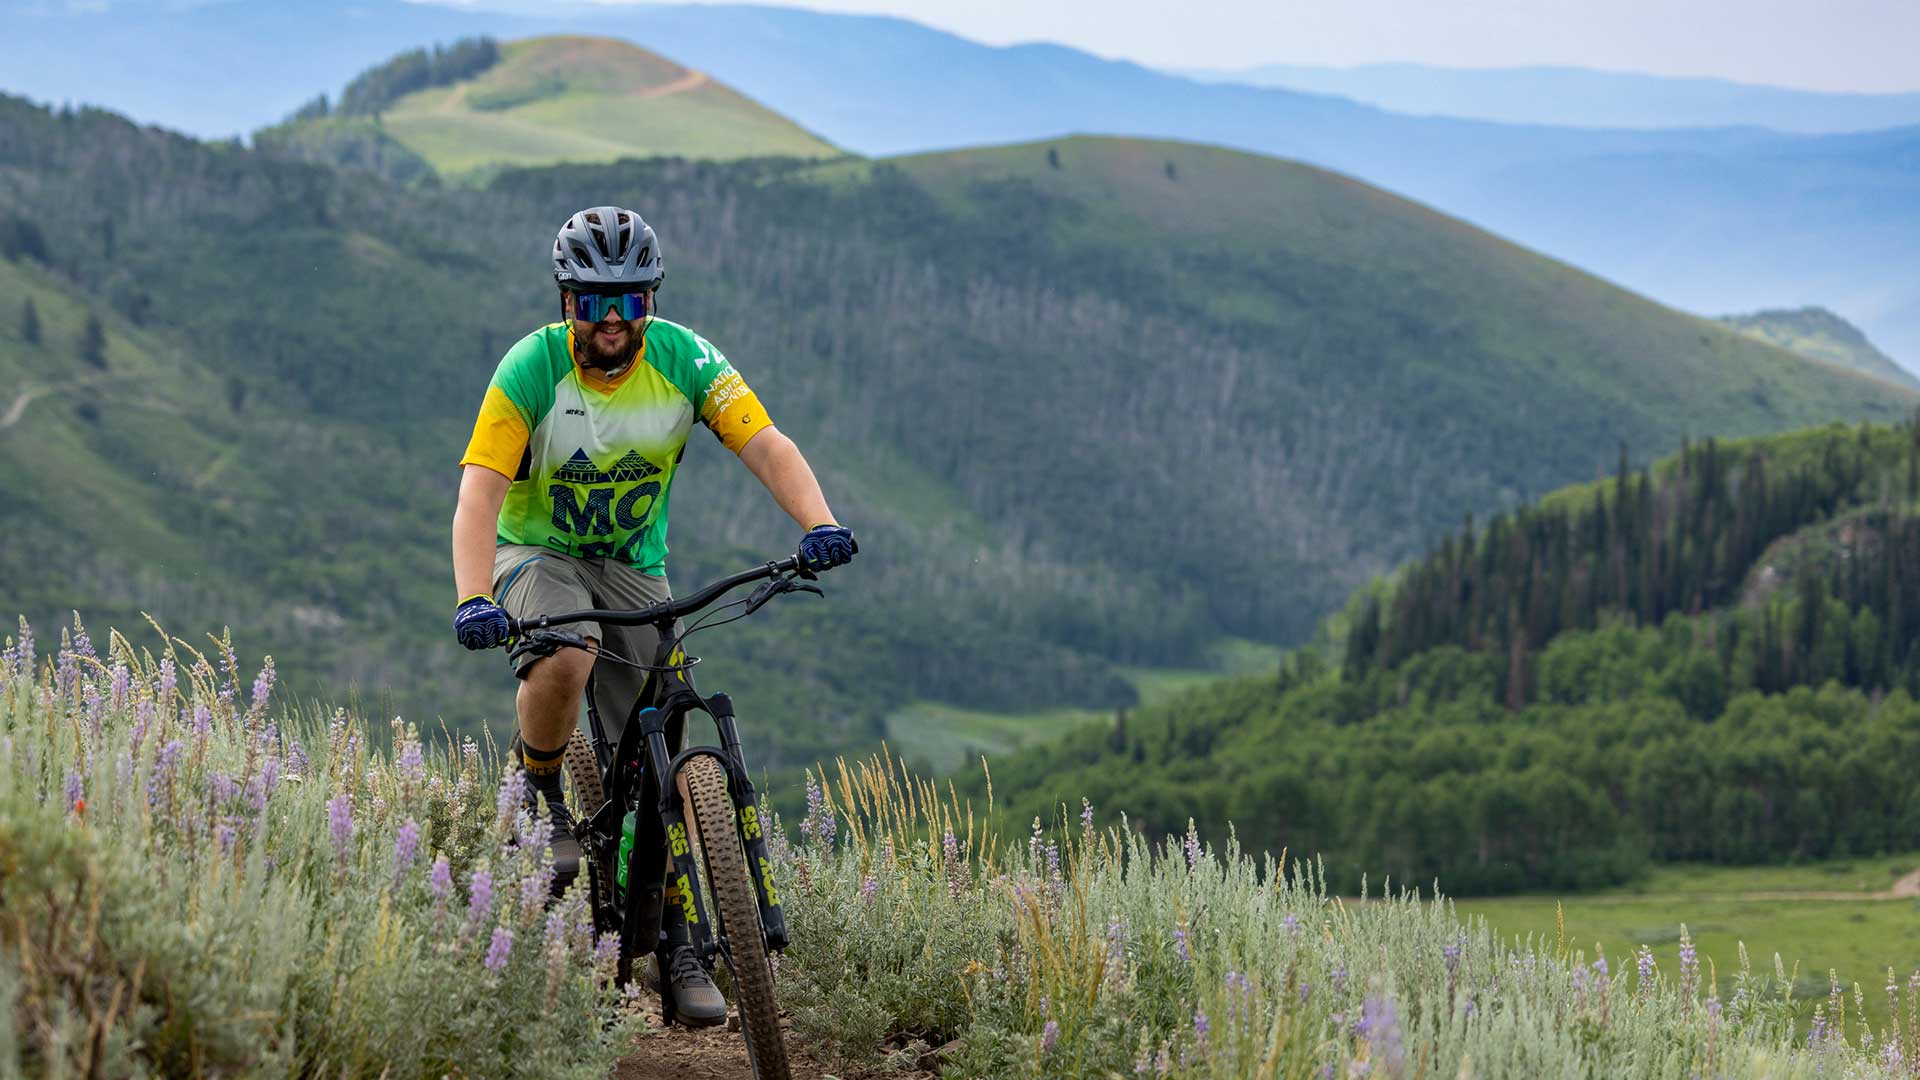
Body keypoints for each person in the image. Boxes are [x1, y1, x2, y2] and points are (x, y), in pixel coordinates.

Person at [449, 206, 857, 1025]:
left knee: (664, 746)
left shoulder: (685, 360)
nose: (610, 320)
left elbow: (765, 443)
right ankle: (537, 791)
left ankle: (678, 945)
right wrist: (473, 597)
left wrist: (817, 522)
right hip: (538, 554)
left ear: (651, 303)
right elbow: (480, 491)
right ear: (566, 304)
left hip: (635, 565)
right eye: (592, 303)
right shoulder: (529, 368)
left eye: (629, 302)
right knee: (570, 652)